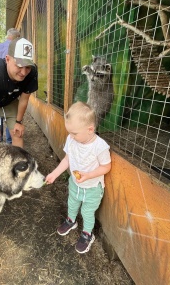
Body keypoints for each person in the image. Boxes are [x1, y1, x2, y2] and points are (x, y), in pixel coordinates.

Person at [45, 101, 111, 254]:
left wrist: (89, 175)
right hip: (75, 182)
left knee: (87, 212)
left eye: (74, 133)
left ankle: (87, 234)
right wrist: (54, 174)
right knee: (72, 203)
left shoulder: (100, 147)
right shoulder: (72, 140)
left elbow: (106, 167)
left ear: (90, 129)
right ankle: (71, 220)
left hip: (93, 187)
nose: (71, 136)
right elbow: (67, 159)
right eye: (70, 132)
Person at [0, 37, 38, 148]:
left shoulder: (32, 72)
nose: (23, 73)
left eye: (27, 67)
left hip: (9, 100)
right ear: (8, 59)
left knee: (17, 133)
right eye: (19, 65)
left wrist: (18, 122)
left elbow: (24, 100)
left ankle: (17, 163)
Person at [0, 28, 21, 144]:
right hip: (10, 86)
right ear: (17, 38)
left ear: (8, 36)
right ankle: (9, 140)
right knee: (10, 114)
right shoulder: (15, 48)